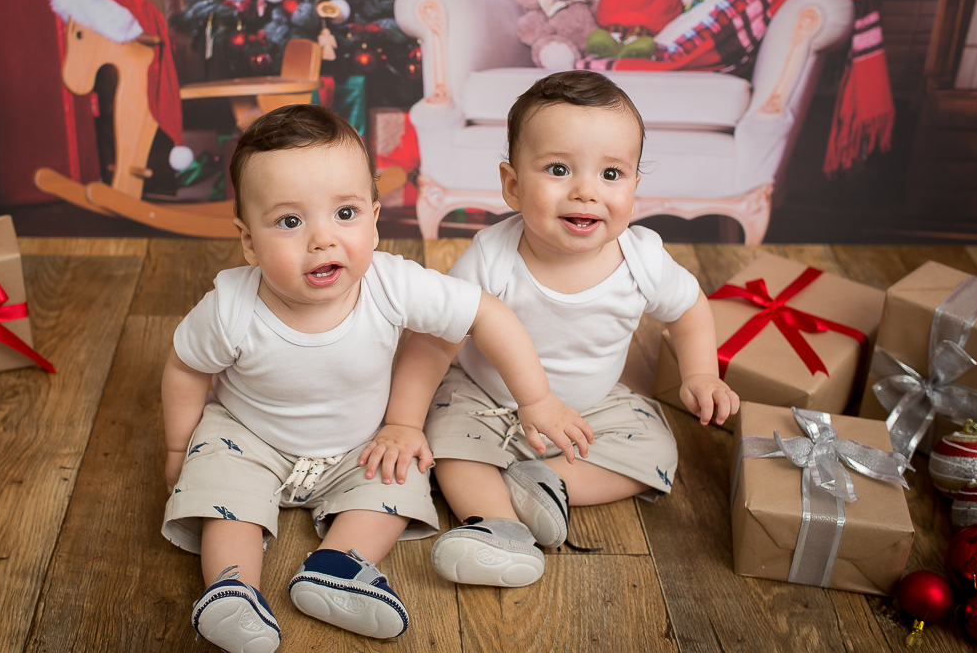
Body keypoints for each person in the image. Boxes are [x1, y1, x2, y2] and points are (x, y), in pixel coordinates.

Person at [160, 103, 593, 653]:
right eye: (290, 222)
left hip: (360, 440)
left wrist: (536, 400)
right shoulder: (230, 307)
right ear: (248, 241)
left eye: (344, 213)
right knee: (221, 486)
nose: (323, 240)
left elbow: (486, 312)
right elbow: (185, 366)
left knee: (401, 474)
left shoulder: (392, 284)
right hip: (251, 434)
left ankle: (340, 565)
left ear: (373, 213)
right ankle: (231, 589)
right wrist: (179, 447)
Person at [389, 70, 740, 588]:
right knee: (448, 443)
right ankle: (498, 528)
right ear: (512, 185)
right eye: (558, 169)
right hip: (488, 399)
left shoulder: (642, 259)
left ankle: (548, 484)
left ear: (635, 188)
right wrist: (402, 421)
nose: (586, 192)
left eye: (611, 175)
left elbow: (688, 309)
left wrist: (701, 372)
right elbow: (434, 346)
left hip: (589, 407)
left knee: (657, 451)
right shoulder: (493, 257)